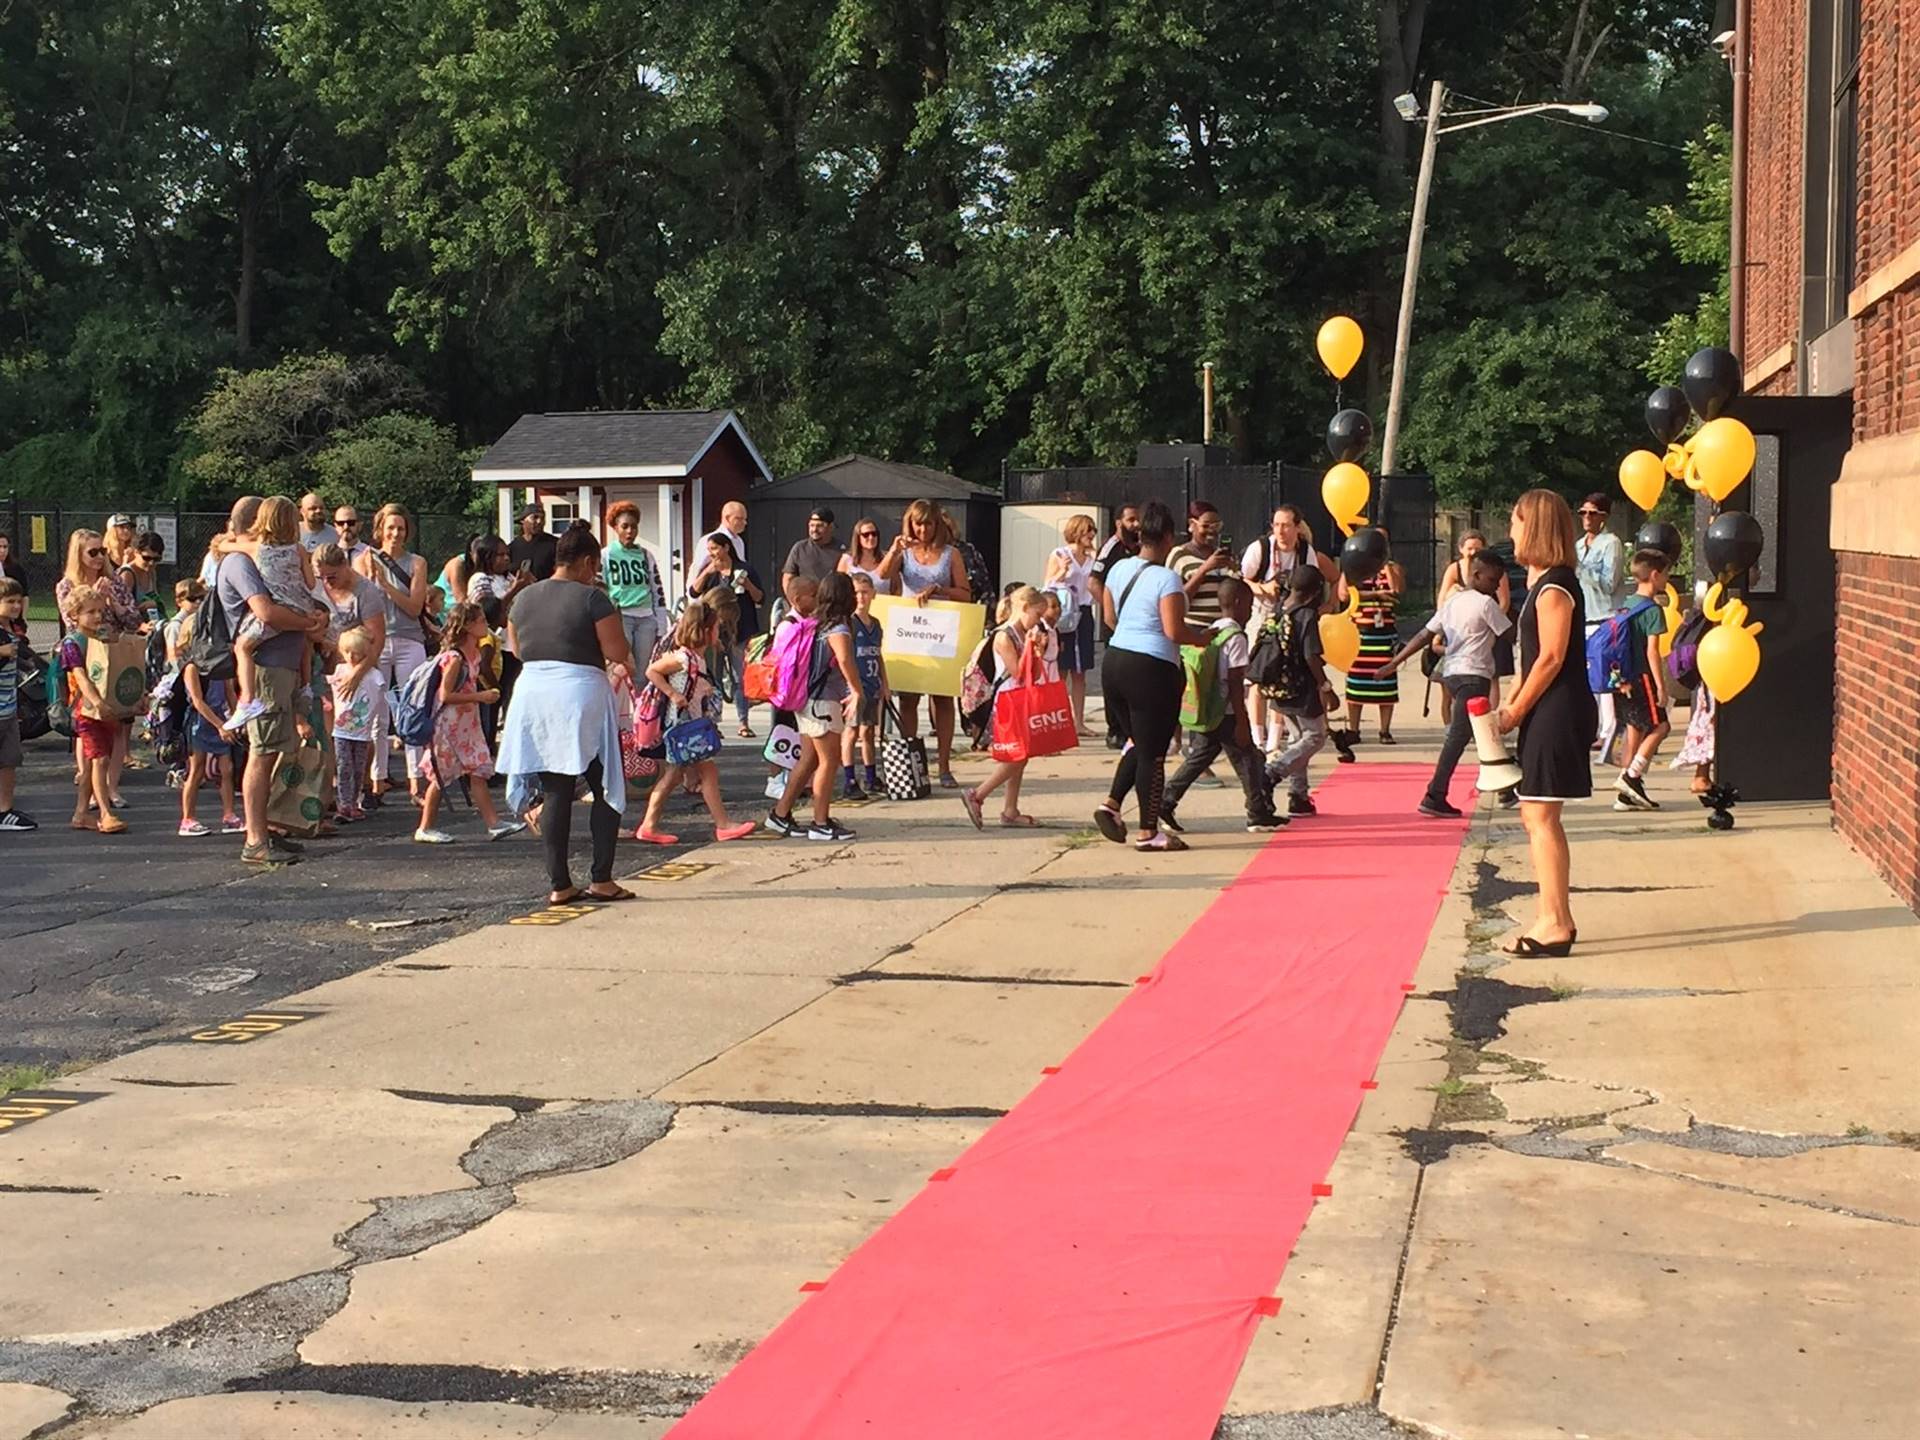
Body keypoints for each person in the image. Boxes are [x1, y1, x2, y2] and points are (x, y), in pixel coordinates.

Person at [497, 523, 636, 904]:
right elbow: (617, 652)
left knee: (556, 788)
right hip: (579, 691)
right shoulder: (593, 598)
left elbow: (519, 651)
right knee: (605, 781)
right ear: (589, 562)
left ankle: (559, 884)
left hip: (533, 691)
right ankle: (602, 878)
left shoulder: (523, 599)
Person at [1497, 489, 1595, 957]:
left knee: (1540, 814)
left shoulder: (1556, 586)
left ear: (1532, 526)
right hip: (1545, 708)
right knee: (1535, 813)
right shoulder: (1544, 582)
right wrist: (1512, 704)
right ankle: (1552, 915)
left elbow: (1552, 657)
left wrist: (1516, 709)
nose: (1510, 531)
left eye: (1515, 521)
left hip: (1558, 709)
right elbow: (1529, 660)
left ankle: (1555, 921)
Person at [216, 496, 327, 866]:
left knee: (277, 747)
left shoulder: (260, 553)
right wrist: (308, 623)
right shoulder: (241, 561)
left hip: (285, 664)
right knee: (262, 753)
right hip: (267, 668)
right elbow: (266, 611)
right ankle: (255, 839)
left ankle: (270, 829)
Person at [1092, 500, 1207, 852]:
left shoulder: (1119, 569)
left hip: (1114, 662)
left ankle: (1111, 805)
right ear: (1169, 537)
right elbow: (1174, 630)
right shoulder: (1167, 578)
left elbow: (1110, 618)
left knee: (1137, 743)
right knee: (1153, 753)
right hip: (1151, 668)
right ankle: (1148, 832)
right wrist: (1203, 638)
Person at [1386, 550, 1513, 818]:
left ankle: (1505, 784)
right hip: (1473, 676)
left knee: (1481, 730)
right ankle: (1435, 794)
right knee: (1460, 736)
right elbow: (1509, 632)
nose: (1495, 586)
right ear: (1477, 575)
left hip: (1453, 674)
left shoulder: (1454, 602)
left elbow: (1424, 634)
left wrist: (1395, 661)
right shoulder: (1485, 604)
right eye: (1493, 580)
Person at [1160, 577, 1283, 835]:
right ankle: (1257, 814)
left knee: (1199, 758)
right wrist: (1242, 721)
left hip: (1209, 707)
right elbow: (1236, 682)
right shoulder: (1237, 637)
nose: (1250, 612)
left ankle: (1165, 801)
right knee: (1248, 759)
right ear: (1238, 604)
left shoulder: (1213, 629)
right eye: (1249, 606)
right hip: (1227, 711)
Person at [633, 601, 757, 845]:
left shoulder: (695, 659)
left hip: (689, 726)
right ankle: (722, 824)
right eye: (714, 628)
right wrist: (673, 694)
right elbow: (652, 671)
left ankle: (650, 825)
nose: (717, 633)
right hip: (684, 727)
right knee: (704, 772)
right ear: (703, 630)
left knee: (674, 776)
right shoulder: (683, 658)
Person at [413, 601, 522, 844]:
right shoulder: (454, 658)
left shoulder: (472, 654)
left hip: (465, 725)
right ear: (468, 626)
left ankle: (493, 823)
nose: (486, 625)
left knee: (478, 771)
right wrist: (480, 696)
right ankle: (425, 827)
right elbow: (445, 695)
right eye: (481, 621)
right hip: (449, 727)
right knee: (440, 777)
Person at [880, 499, 971, 788]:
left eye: (928, 523)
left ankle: (943, 766)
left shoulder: (950, 554)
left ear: (937, 524)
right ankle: (910, 763)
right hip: (910, 632)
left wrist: (940, 589)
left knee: (943, 699)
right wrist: (895, 549)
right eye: (917, 523)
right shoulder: (905, 552)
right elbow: (882, 575)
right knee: (908, 699)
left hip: (941, 632)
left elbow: (966, 593)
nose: (923, 529)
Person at [767, 571, 862, 841]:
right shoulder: (838, 627)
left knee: (808, 759)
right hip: (823, 699)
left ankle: (781, 813)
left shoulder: (815, 623)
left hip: (807, 699)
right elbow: (844, 660)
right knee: (829, 761)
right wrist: (856, 690)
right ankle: (820, 822)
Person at [1243, 505, 1337, 751]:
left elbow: (1314, 579)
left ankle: (1274, 740)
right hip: (1263, 614)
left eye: (1286, 525)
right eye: (1276, 525)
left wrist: (1323, 607)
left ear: (1297, 527)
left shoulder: (1306, 552)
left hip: (1291, 616)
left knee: (1284, 675)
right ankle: (1257, 738)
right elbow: (1242, 578)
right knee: (1258, 676)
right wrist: (1262, 588)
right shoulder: (1260, 548)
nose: (1280, 531)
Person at [958, 585, 1052, 830]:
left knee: (1022, 754)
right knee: (1017, 756)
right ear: (1023, 608)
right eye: (1036, 614)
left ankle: (1011, 809)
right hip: (1007, 701)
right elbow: (1017, 672)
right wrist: (1031, 647)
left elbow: (1033, 672)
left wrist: (1038, 651)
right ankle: (978, 794)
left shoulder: (1022, 634)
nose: (1038, 621)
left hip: (1020, 698)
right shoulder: (1004, 636)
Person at [356, 503, 432, 803]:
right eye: (390, 528)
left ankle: (417, 781)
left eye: (400, 528)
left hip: (408, 638)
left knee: (411, 709)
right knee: (377, 711)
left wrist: (386, 584)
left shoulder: (416, 563)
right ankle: (377, 779)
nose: (395, 533)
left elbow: (414, 607)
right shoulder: (365, 560)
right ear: (380, 530)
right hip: (377, 640)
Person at [223, 497, 317, 734]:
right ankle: (306, 686)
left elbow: (224, 547)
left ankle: (247, 699)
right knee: (305, 640)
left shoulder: (257, 548)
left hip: (280, 608)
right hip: (302, 606)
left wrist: (226, 540)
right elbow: (311, 582)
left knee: (242, 646)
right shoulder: (299, 549)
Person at [58, 585, 127, 834]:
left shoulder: (101, 638)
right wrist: (97, 701)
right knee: (101, 760)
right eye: (90, 612)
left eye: (100, 611)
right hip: (85, 710)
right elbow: (81, 677)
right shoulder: (72, 644)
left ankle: (81, 813)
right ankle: (105, 812)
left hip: (104, 710)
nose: (97, 616)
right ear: (75, 614)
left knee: (90, 764)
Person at [1612, 549, 1673, 812]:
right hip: (1642, 677)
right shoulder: (1652, 610)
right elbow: (1652, 651)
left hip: (1621, 679)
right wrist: (1661, 686)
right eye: (1666, 575)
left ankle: (1626, 795)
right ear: (1655, 575)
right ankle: (1631, 776)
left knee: (1634, 729)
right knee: (1661, 727)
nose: (1667, 581)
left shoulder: (1625, 605)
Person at [690, 532, 765, 738]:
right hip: (713, 632)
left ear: (726, 548)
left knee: (740, 677)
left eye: (715, 548)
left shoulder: (745, 569)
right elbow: (693, 593)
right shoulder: (711, 571)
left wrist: (748, 585)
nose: (712, 553)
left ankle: (743, 722)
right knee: (712, 678)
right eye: (709, 549)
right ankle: (713, 723)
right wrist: (706, 572)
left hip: (740, 631)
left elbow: (761, 598)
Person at [1434, 531, 1513, 722]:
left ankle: (1488, 722)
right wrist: (1443, 627)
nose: (1473, 552)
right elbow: (1442, 599)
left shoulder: (1493, 570)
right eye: (1469, 548)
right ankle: (1452, 724)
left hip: (1487, 628)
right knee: (1449, 682)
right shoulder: (1454, 569)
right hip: (1458, 630)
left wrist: (1493, 625)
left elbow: (1504, 601)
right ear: (1461, 549)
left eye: (1477, 548)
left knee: (1491, 677)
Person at [178, 606, 241, 839]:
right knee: (196, 771)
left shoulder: (218, 664)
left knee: (227, 769)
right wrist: (219, 725)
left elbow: (229, 692)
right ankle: (188, 818)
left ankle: (229, 815)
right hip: (201, 722)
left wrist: (235, 718)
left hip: (220, 720)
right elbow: (197, 702)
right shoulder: (192, 667)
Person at [1340, 538, 1406, 744]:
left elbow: (1397, 591)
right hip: (1359, 633)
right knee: (1356, 682)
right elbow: (1345, 594)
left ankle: (1384, 730)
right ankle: (1354, 729)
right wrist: (1376, 594)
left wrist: (1386, 567)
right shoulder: (1353, 567)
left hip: (1384, 633)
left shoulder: (1392, 567)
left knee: (1385, 682)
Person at [1575, 492, 1625, 764]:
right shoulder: (1578, 545)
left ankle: (1609, 731)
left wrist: (1582, 569)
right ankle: (1592, 729)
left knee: (1606, 678)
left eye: (1592, 513)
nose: (1586, 518)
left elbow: (1609, 583)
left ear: (1603, 517)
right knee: (1589, 680)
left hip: (1605, 618)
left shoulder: (1611, 543)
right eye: (1582, 512)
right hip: (1583, 617)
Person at [1088, 504, 1143, 749]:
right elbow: (1093, 582)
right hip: (1117, 623)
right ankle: (1115, 729)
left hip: (1139, 620)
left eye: (1138, 520)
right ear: (1119, 522)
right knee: (1115, 676)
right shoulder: (1111, 547)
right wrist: (1110, 612)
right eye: (1131, 520)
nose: (1136, 524)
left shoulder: (1141, 546)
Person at [1042, 514, 1098, 736]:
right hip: (1064, 612)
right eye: (1087, 530)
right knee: (1062, 669)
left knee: (1080, 671)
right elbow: (1047, 585)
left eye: (1092, 530)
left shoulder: (1093, 559)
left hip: (1083, 611)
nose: (1091, 534)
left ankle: (1079, 721)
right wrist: (1061, 572)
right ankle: (1059, 719)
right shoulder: (1059, 554)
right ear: (1076, 531)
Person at [603, 502, 671, 679]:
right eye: (624, 526)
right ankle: (622, 706)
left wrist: (661, 626)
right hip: (621, 616)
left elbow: (657, 590)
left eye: (634, 527)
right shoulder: (606, 555)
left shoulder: (646, 555)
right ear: (615, 527)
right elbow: (601, 587)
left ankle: (641, 706)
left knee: (644, 671)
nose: (629, 531)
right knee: (621, 668)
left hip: (646, 617)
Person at [328, 625, 384, 823]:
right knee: (343, 767)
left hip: (362, 731)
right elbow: (328, 685)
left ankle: (353, 801)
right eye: (348, 652)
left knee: (359, 768)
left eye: (357, 653)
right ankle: (345, 804)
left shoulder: (375, 676)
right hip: (341, 730)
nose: (352, 657)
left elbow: (379, 699)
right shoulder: (340, 670)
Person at [846, 573, 887, 799]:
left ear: (873, 593)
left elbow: (879, 655)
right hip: (856, 687)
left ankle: (871, 777)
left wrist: (885, 684)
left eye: (864, 592)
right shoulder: (850, 623)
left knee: (869, 731)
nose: (861, 597)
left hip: (872, 684)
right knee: (851, 732)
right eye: (856, 593)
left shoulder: (876, 624)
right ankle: (850, 778)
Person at [57, 529, 142, 635]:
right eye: (93, 553)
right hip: (87, 648)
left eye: (102, 551)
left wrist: (115, 605)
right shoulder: (66, 586)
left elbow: (136, 623)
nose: (100, 557)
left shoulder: (114, 581)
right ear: (78, 554)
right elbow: (73, 627)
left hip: (118, 647)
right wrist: (95, 600)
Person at [1170, 500, 1236, 627]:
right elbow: (1176, 599)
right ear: (1192, 524)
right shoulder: (1179, 555)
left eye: (1216, 526)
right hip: (1193, 627)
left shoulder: (1222, 555)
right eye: (1205, 526)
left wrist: (1235, 570)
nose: (1211, 531)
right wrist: (1204, 569)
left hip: (1222, 628)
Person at [0, 577, 30, 832]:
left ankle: (4, 810)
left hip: (8, 707)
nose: (16, 606)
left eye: (18, 602)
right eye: (9, 601)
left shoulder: (12, 632)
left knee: (9, 760)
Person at [782, 506, 846, 603]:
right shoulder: (799, 548)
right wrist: (793, 602)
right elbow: (787, 578)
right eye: (812, 525)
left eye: (820, 526)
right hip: (805, 607)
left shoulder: (842, 550)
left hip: (831, 606)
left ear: (831, 527)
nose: (814, 529)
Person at [687, 500, 749, 589]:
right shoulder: (708, 541)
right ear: (727, 518)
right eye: (740, 519)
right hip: (713, 595)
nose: (744, 523)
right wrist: (693, 598)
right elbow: (696, 570)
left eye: (745, 519)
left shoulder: (739, 541)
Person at [119, 532, 168, 629]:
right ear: (136, 552)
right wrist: (143, 607)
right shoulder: (127, 574)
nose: (151, 563)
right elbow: (120, 610)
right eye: (146, 558)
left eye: (156, 559)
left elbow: (155, 598)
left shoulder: (151, 571)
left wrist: (154, 604)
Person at [839, 518, 895, 594]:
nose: (871, 537)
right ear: (858, 538)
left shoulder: (888, 558)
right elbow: (838, 587)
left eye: (874, 534)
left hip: (882, 604)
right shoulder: (847, 560)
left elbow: (896, 588)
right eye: (866, 535)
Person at [508, 505, 559, 581]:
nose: (539, 521)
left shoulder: (555, 544)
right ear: (523, 520)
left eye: (542, 518)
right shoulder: (512, 548)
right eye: (534, 517)